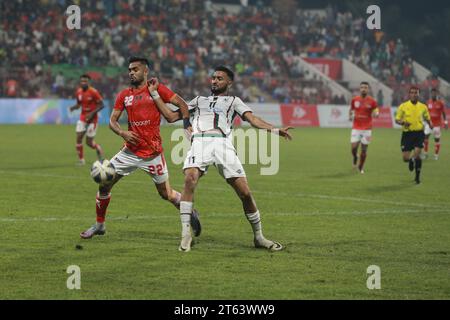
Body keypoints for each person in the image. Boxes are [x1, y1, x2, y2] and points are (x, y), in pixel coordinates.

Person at [152, 65, 293, 252]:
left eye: (219, 78)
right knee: (189, 179)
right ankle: (186, 234)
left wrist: (275, 129)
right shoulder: (198, 100)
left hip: (223, 144)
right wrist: (155, 95)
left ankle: (259, 237)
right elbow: (170, 117)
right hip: (200, 142)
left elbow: (253, 119)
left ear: (229, 83)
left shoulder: (234, 101)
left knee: (245, 193)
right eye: (213, 78)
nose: (215, 81)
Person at [80, 57, 201, 239]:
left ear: (146, 71)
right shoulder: (124, 95)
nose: (131, 72)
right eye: (129, 69)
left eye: (135, 69)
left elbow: (183, 104)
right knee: (105, 185)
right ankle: (100, 225)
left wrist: (186, 125)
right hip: (129, 152)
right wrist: (123, 133)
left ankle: (189, 211)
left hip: (152, 154)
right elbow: (112, 122)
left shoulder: (157, 90)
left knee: (166, 194)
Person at [395, 86, 432, 184]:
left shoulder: (423, 106)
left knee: (417, 154)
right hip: (407, 134)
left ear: (419, 94)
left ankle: (417, 177)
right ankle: (411, 160)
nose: (414, 94)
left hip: (419, 133)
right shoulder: (403, 106)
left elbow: (427, 117)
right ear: (409, 94)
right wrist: (403, 122)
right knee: (405, 158)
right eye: (412, 92)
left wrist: (430, 123)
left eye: (416, 93)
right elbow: (397, 119)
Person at [69, 74, 105, 165]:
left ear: (89, 82)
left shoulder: (93, 92)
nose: (83, 83)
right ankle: (81, 160)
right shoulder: (79, 92)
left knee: (89, 142)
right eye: (82, 81)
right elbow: (78, 104)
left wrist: (92, 113)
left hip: (93, 120)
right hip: (83, 118)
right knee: (78, 138)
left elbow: (102, 105)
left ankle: (97, 147)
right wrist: (73, 107)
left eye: (85, 81)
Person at [348, 82, 379, 174]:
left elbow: (376, 110)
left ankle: (361, 167)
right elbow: (351, 109)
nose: (364, 89)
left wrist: (376, 114)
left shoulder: (372, 101)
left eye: (365, 87)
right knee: (354, 148)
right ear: (359, 89)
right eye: (362, 87)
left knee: (364, 150)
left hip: (367, 129)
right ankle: (355, 156)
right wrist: (350, 116)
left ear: (368, 89)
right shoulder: (355, 100)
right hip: (356, 127)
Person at [423, 88, 448, 160]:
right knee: (425, 138)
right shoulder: (428, 102)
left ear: (437, 94)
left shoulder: (440, 103)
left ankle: (436, 155)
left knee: (437, 140)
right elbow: (426, 113)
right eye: (432, 93)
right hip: (429, 124)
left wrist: (445, 122)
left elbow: (443, 113)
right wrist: (425, 122)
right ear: (431, 94)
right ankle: (425, 154)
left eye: (435, 93)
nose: (433, 94)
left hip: (437, 125)